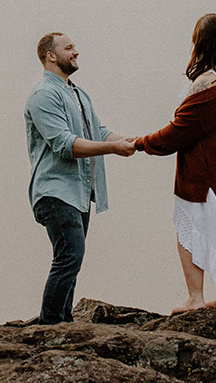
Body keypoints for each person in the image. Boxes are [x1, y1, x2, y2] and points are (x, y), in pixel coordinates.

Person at [132, 13, 216, 312]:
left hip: (211, 167)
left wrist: (140, 143)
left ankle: (196, 297)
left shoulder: (207, 82)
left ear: (199, 42)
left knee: (189, 223)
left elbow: (180, 130)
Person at [24, 32, 135, 324]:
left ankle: (64, 321)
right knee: (69, 256)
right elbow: (64, 144)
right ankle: (49, 327)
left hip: (79, 193)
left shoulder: (78, 92)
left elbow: (98, 131)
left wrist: (135, 142)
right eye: (69, 48)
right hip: (55, 191)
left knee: (72, 259)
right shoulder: (43, 95)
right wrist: (113, 148)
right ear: (51, 55)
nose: (76, 52)